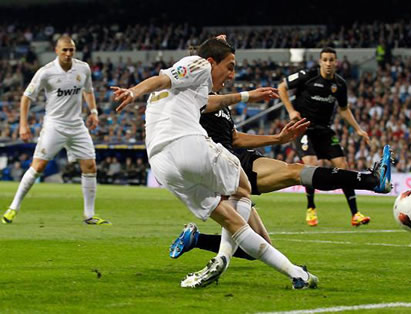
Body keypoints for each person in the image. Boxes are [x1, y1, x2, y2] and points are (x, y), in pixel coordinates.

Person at [112, 37, 318, 289]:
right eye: (230, 66)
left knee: (231, 220)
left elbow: (213, 102)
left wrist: (246, 96)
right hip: (185, 143)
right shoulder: (197, 64)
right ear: (211, 62)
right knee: (243, 187)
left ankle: (299, 274)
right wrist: (134, 91)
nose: (231, 73)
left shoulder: (190, 89)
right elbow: (160, 80)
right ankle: (222, 258)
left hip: (161, 166)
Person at [169, 97, 393, 260]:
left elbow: (235, 138)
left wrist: (278, 139)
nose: (231, 74)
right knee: (295, 172)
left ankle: (195, 239)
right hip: (219, 166)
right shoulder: (193, 96)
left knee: (260, 246)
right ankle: (371, 181)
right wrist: (247, 96)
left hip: (235, 160)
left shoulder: (221, 104)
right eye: (228, 66)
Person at [2, 35, 110, 225]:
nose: (68, 53)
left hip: (77, 126)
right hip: (55, 126)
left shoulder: (83, 68)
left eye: (71, 50)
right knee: (38, 167)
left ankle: (89, 215)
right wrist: (23, 125)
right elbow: (26, 98)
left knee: (90, 166)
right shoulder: (46, 72)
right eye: (64, 50)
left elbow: (88, 90)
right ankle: (13, 208)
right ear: (56, 51)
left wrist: (93, 112)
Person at [278, 47, 371, 227]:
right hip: (303, 128)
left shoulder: (340, 84)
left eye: (331, 60)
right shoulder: (308, 75)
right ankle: (311, 208)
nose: (328, 63)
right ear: (320, 61)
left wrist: (358, 129)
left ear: (336, 63)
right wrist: (291, 111)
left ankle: (355, 214)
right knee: (311, 163)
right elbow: (282, 87)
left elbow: (344, 110)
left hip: (324, 131)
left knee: (343, 166)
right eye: (325, 60)